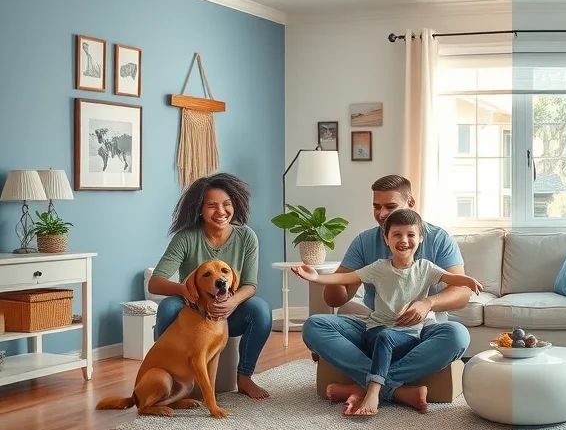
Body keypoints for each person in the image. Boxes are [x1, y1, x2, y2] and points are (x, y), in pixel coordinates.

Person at [301, 174, 472, 413]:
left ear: (410, 204)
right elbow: (336, 299)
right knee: (314, 326)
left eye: (390, 206)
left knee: (458, 335)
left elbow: (462, 292)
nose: (381, 214)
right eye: (376, 206)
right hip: (378, 327)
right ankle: (396, 390)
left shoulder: (438, 238)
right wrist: (325, 277)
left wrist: (427, 303)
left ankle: (365, 387)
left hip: (423, 331)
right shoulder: (365, 241)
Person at [148, 172, 273, 399]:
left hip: (228, 311)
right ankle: (167, 373)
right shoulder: (185, 238)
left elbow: (250, 285)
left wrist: (233, 302)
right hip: (193, 311)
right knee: (167, 307)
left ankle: (245, 377)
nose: (221, 212)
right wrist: (184, 290)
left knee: (261, 310)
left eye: (227, 204)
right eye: (212, 206)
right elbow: (155, 283)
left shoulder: (247, 237)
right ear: (200, 209)